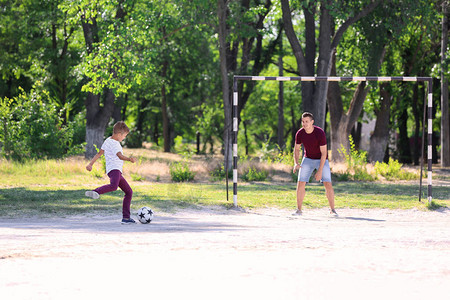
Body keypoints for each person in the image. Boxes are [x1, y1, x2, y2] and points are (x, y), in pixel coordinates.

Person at [85, 121, 137, 224]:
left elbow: (99, 154)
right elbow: (119, 156)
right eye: (124, 136)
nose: (124, 138)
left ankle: (126, 218)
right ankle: (96, 191)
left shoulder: (107, 140)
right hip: (115, 170)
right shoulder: (116, 144)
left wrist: (90, 164)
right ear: (119, 134)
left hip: (113, 170)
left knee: (129, 192)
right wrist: (129, 159)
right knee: (114, 186)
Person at [293, 112, 337, 217]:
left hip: (321, 159)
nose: (304, 124)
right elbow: (297, 149)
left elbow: (324, 153)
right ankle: (299, 210)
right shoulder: (300, 133)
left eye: (307, 121)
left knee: (327, 183)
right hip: (307, 159)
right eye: (303, 121)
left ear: (312, 122)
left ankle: (333, 210)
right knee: (300, 183)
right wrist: (296, 163)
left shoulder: (319, 133)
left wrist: (320, 171)